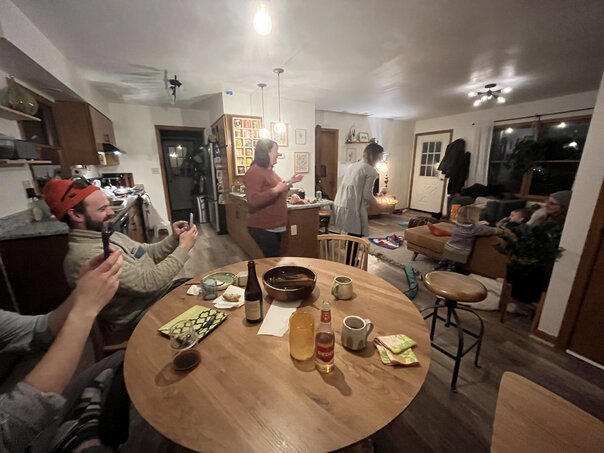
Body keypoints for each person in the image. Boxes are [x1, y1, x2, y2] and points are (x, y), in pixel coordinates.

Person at [0, 251, 126, 452]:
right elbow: (17, 423)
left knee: (122, 359)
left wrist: (80, 292)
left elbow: (39, 330)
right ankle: (82, 429)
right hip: (22, 435)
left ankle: (87, 419)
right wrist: (85, 309)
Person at [42, 178, 199, 335]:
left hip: (160, 296)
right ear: (76, 215)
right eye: (103, 209)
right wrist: (184, 248)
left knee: (205, 289)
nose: (111, 212)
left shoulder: (105, 234)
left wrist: (174, 239)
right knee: (206, 309)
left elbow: (146, 253)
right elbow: (148, 283)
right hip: (143, 316)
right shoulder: (88, 256)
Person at [244, 138, 304, 257]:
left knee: (274, 259)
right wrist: (275, 190)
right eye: (276, 151)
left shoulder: (269, 170)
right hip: (263, 227)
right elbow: (253, 199)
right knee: (272, 261)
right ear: (267, 152)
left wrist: (290, 181)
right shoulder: (254, 171)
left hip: (274, 226)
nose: (278, 154)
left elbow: (276, 186)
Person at [330, 142, 384, 263]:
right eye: (380, 156)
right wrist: (377, 205)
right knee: (355, 235)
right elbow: (366, 194)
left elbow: (356, 187)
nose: (381, 159)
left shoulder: (354, 165)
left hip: (342, 201)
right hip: (353, 205)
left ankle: (350, 260)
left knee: (351, 234)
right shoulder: (370, 170)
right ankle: (351, 262)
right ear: (375, 156)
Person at [441, 205, 502, 271]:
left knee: (446, 260)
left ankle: (440, 266)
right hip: (460, 251)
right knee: (452, 266)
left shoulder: (458, 223)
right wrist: (500, 230)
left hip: (448, 247)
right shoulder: (476, 228)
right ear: (474, 216)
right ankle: (449, 271)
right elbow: (489, 231)